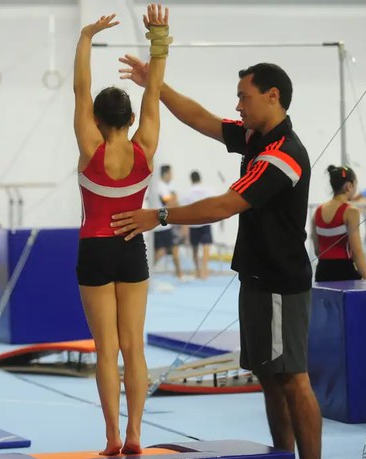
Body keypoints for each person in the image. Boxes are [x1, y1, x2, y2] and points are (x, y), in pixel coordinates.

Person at [112, 61, 322, 459]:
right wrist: (154, 84)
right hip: (257, 276)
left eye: (244, 96)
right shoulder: (256, 138)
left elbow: (225, 205)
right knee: (269, 378)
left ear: (271, 95)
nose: (238, 105)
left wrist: (157, 216)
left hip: (281, 282)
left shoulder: (284, 154)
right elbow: (201, 120)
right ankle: (282, 455)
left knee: (293, 379)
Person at [74, 4, 169, 455]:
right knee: (135, 346)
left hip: (94, 250)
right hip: (132, 248)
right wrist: (158, 41)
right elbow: (154, 94)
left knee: (106, 347)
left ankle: (111, 436)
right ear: (130, 120)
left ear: (95, 120)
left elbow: (80, 89)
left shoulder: (90, 145)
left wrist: (87, 38)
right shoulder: (145, 148)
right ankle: (135, 433)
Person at [311, 166, 366, 282]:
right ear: (349, 186)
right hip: (344, 270)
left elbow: (317, 249)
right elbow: (356, 251)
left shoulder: (317, 211)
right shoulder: (351, 211)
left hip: (322, 271)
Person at [182, 170, 214, 279]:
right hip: (205, 221)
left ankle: (197, 270)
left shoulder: (187, 194)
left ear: (191, 179)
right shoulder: (208, 191)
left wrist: (184, 231)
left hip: (193, 223)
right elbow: (212, 205)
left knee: (195, 248)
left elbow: (185, 212)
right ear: (200, 178)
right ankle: (204, 270)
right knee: (206, 246)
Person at [154, 164, 183, 279]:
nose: (172, 176)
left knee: (162, 250)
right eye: (170, 173)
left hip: (160, 224)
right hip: (163, 224)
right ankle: (179, 275)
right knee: (172, 249)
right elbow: (170, 203)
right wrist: (174, 198)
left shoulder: (160, 186)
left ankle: (179, 274)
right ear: (166, 174)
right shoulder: (162, 186)